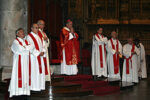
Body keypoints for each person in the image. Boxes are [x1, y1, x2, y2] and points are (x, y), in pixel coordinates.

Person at [9, 28, 33, 99]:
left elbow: (32, 46)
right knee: (19, 76)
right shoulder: (15, 41)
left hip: (26, 62)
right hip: (19, 63)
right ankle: (17, 92)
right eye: (21, 32)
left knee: (25, 76)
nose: (23, 33)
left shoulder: (26, 41)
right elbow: (19, 49)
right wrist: (26, 48)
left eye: (23, 32)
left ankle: (24, 92)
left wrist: (25, 48)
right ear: (17, 34)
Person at [27, 24, 46, 91]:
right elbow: (30, 47)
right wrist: (38, 53)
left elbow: (43, 45)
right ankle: (34, 87)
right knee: (35, 72)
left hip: (39, 57)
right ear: (31, 28)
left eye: (38, 28)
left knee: (40, 72)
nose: (37, 29)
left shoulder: (38, 36)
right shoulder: (29, 37)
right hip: (33, 58)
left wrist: (43, 51)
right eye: (36, 28)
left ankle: (40, 86)